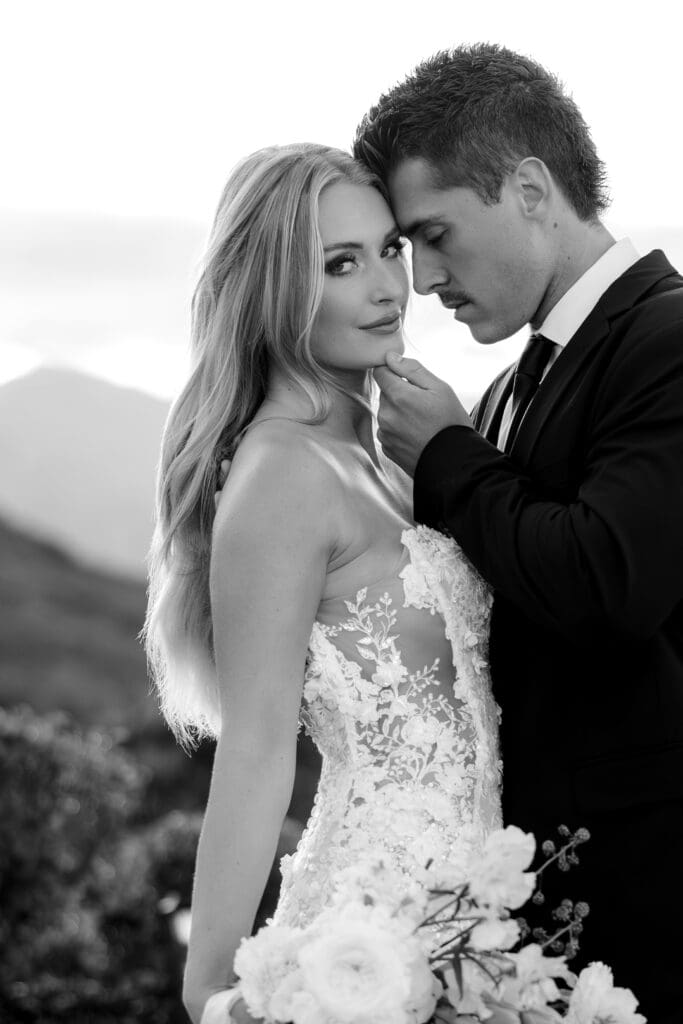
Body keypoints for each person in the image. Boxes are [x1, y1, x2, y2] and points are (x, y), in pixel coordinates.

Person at [353, 42, 683, 1022]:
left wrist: (447, 456)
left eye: (435, 234)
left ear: (531, 190)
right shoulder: (504, 388)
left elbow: (607, 580)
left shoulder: (668, 339)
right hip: (528, 915)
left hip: (655, 909)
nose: (421, 278)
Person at [143, 143, 501, 1024]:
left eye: (389, 249)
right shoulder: (283, 472)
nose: (387, 286)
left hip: (479, 912)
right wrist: (209, 986)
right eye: (341, 263)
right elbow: (256, 749)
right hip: (372, 933)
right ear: (272, 289)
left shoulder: (380, 457)